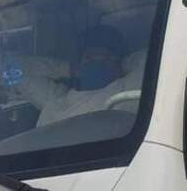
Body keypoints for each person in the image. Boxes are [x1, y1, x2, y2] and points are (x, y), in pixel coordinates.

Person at [13, 25, 145, 127]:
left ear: (120, 63)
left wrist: (124, 63)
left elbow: (156, 57)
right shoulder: (54, 100)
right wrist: (66, 68)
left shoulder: (129, 90)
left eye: (105, 58)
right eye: (89, 58)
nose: (96, 63)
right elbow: (6, 68)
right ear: (78, 64)